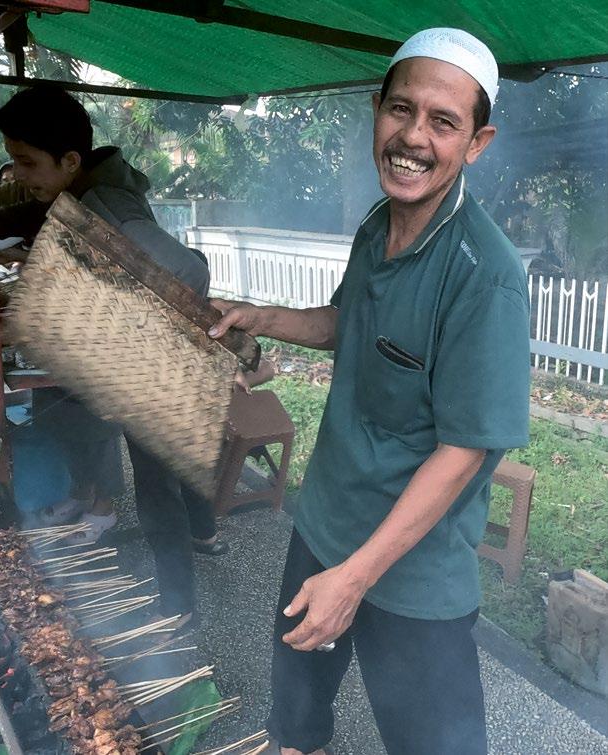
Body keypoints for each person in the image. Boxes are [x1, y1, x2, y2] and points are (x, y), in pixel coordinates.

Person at [209, 28, 530, 755]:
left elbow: (466, 450)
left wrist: (354, 579)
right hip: (326, 524)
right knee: (294, 724)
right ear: (376, 111)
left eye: (443, 122)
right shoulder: (376, 224)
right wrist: (261, 317)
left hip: (416, 573)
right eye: (401, 110)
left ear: (476, 143)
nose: (413, 137)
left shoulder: (486, 275)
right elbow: (346, 322)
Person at [0, 84, 229, 618]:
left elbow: (188, 272)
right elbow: (38, 216)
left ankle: (177, 610)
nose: (19, 174)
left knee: (156, 487)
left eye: (27, 162)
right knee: (172, 459)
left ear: (69, 160)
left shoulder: (110, 206)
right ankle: (202, 534)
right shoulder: (81, 190)